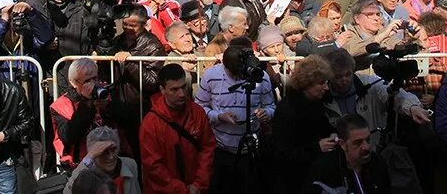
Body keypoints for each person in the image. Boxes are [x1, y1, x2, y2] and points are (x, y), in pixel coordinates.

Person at [194, 37, 275, 194]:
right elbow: (198, 108)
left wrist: (266, 114)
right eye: (234, 74)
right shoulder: (211, 76)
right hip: (220, 150)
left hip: (251, 150)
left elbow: (271, 106)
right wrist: (219, 116)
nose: (239, 78)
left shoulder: (260, 76)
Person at [139, 63, 216, 194]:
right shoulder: (150, 123)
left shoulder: (197, 112)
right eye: (174, 89)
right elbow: (152, 165)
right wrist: (183, 190)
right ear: (162, 90)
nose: (181, 94)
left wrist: (199, 184)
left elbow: (208, 148)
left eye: (183, 87)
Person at [49, 58, 132, 169]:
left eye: (95, 79)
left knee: (131, 167)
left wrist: (108, 107)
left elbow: (128, 120)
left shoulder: (105, 94)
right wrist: (88, 106)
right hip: (83, 162)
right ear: (73, 83)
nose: (93, 84)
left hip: (112, 157)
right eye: (87, 81)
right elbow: (69, 137)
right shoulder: (62, 105)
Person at [271, 55, 337, 193]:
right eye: (321, 83)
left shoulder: (315, 103)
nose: (326, 88)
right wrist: (317, 147)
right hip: (292, 180)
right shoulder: (287, 110)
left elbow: (323, 127)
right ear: (307, 83)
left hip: (313, 174)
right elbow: (283, 153)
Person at [64, 127, 140, 194]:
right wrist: (89, 156)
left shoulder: (129, 164)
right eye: (104, 152)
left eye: (113, 149)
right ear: (94, 153)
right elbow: (68, 192)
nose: (111, 157)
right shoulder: (89, 173)